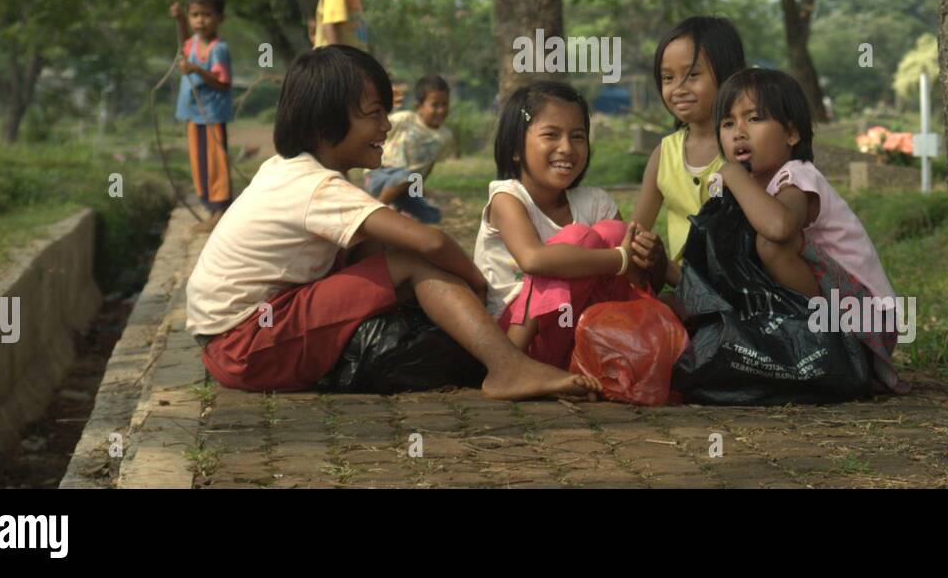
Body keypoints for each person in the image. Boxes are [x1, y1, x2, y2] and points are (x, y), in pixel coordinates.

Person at [185, 45, 599, 399]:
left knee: (378, 256)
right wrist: (477, 284)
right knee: (413, 262)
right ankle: (508, 367)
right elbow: (431, 243)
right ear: (324, 123)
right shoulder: (317, 188)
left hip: (232, 338)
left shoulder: (286, 169)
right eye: (373, 114)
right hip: (246, 343)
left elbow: (367, 252)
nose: (385, 126)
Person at [698, 67, 907, 393]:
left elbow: (780, 228)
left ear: (792, 134)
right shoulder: (754, 189)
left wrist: (734, 176)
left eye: (753, 119)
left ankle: (826, 343)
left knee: (771, 245)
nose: (738, 132)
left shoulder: (798, 175)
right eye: (727, 123)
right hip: (834, 308)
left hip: (867, 317)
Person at [472, 80, 665, 369]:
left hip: (580, 331)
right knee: (578, 239)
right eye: (551, 135)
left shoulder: (596, 202)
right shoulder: (508, 198)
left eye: (577, 136)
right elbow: (533, 258)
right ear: (515, 148)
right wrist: (620, 257)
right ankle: (511, 368)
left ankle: (597, 361)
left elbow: (632, 282)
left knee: (614, 232)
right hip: (519, 333)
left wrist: (650, 258)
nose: (566, 148)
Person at [632, 17, 747, 283]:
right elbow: (635, 232)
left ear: (729, 74)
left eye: (693, 75)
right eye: (668, 78)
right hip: (683, 284)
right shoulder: (665, 153)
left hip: (741, 286)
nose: (678, 89)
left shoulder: (744, 147)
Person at [170, 0, 234, 232]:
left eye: (206, 15)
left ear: (219, 18)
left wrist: (196, 70)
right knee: (200, 163)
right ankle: (210, 208)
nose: (200, 20)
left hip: (212, 116)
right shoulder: (194, 43)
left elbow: (222, 82)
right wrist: (178, 21)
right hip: (193, 115)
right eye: (195, 15)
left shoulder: (219, 49)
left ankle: (220, 211)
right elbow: (184, 43)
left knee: (216, 163)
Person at [364, 74, 455, 223]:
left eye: (445, 104)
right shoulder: (404, 120)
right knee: (406, 176)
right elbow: (377, 130)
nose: (441, 110)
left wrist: (420, 190)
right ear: (418, 107)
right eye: (435, 105)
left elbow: (428, 165)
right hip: (380, 175)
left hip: (408, 185)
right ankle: (375, 210)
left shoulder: (445, 136)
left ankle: (396, 210)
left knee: (432, 216)